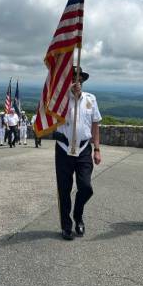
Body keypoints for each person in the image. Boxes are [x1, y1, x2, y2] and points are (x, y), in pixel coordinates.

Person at [54, 66, 102, 241]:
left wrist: (96, 149)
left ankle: (78, 215)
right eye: (73, 79)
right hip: (63, 148)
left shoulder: (91, 99)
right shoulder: (59, 101)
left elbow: (95, 124)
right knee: (64, 190)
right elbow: (48, 112)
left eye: (79, 79)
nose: (77, 82)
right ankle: (66, 226)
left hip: (83, 149)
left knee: (86, 187)